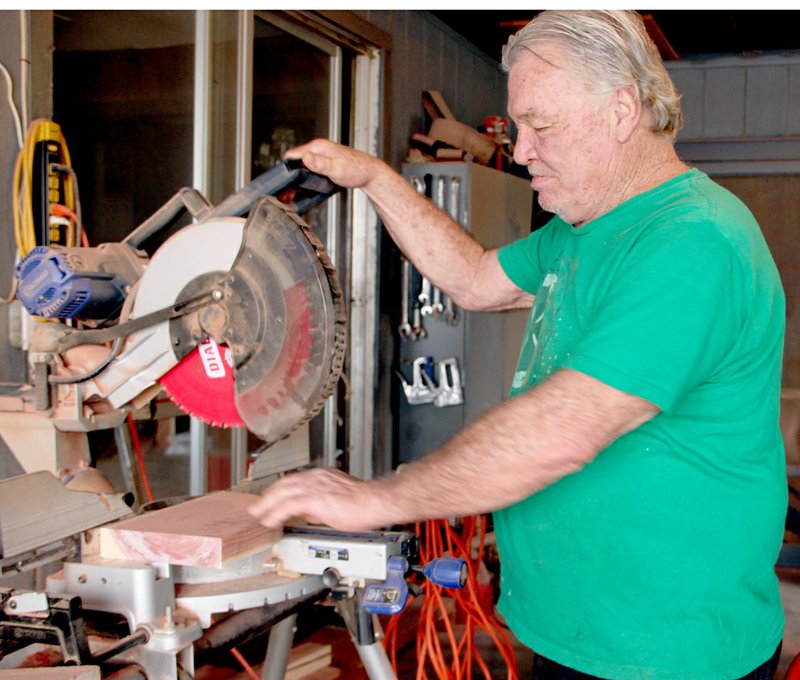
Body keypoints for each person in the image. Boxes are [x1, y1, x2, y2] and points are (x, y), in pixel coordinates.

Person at [249, 10, 786, 679]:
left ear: (621, 112)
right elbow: (475, 279)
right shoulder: (586, 229)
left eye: (542, 125)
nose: (522, 148)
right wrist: (377, 181)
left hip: (666, 648)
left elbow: (567, 428)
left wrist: (378, 499)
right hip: (581, 627)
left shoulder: (691, 243)